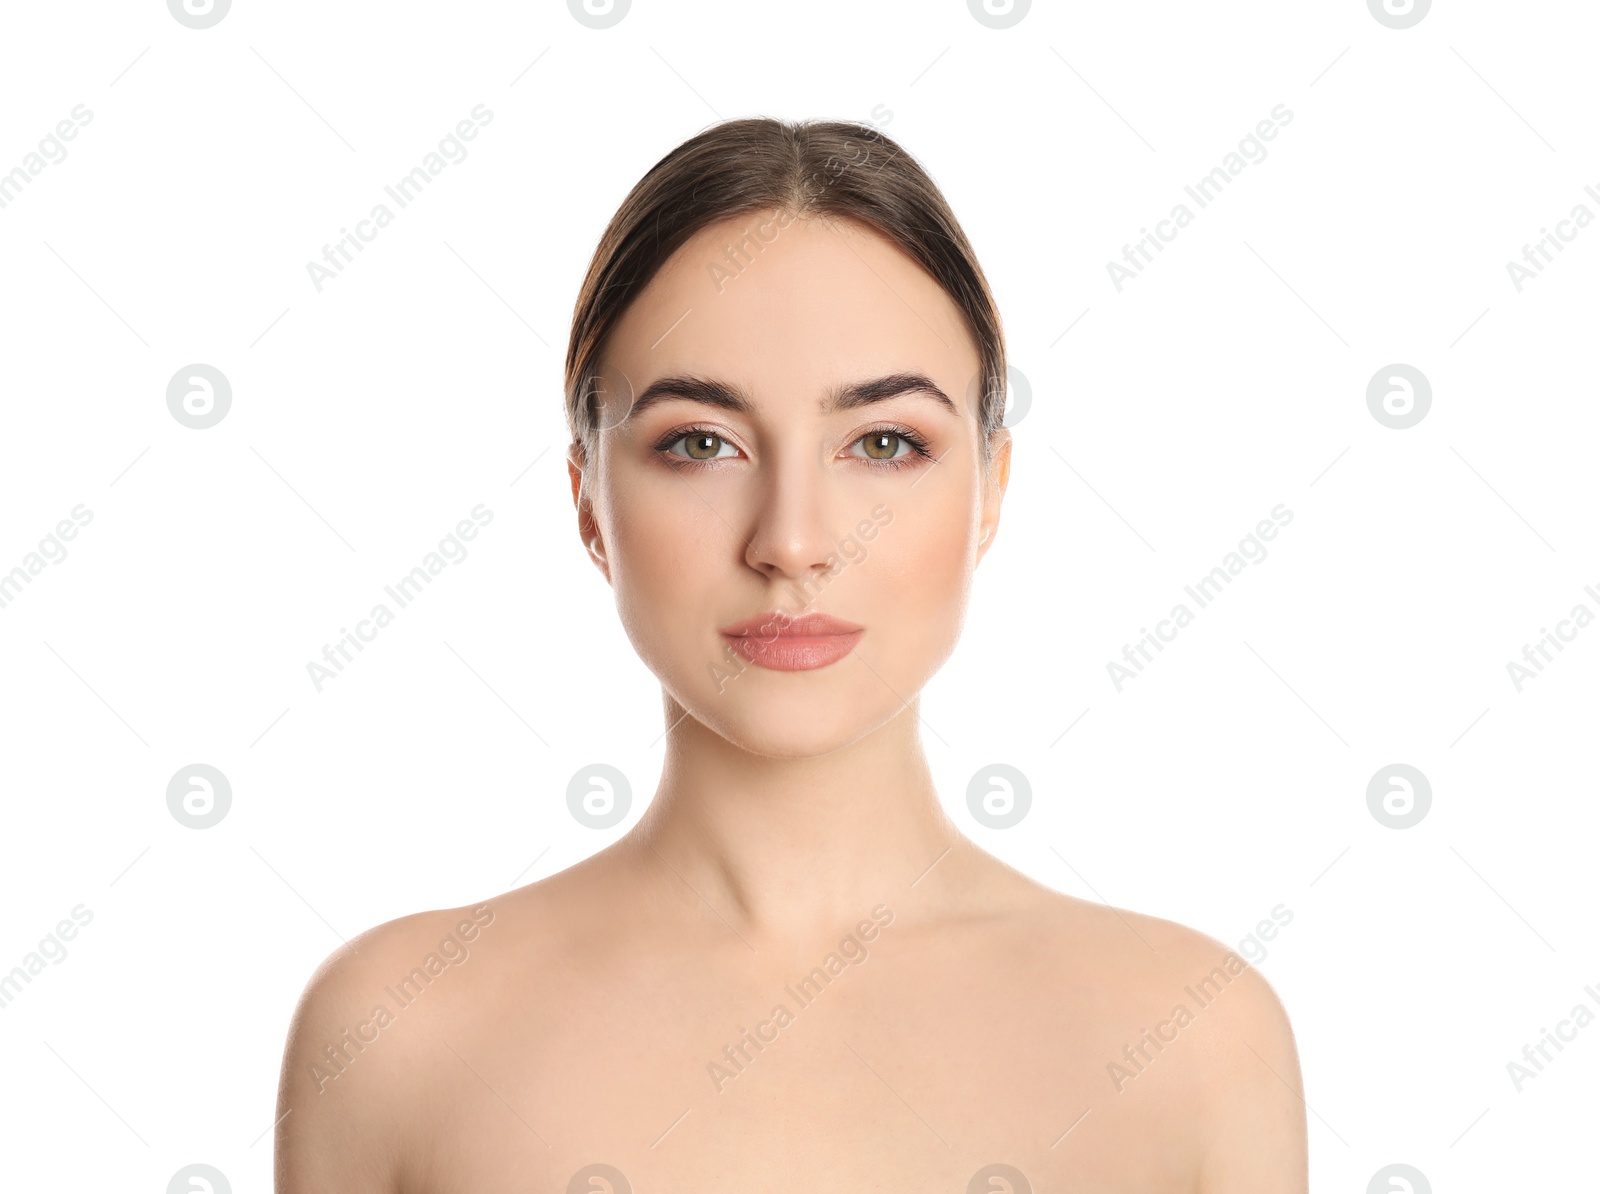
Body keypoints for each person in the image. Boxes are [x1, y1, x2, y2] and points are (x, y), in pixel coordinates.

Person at [274, 117, 1308, 1192]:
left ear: (992, 490)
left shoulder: (1195, 1042)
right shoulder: (395, 1035)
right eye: (699, 444)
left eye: (884, 443)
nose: (795, 541)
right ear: (587, 499)